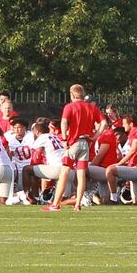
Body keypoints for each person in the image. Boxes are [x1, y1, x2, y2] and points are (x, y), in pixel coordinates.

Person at [45, 84, 105, 212]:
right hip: (85, 143)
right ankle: (78, 204)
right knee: (81, 174)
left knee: (64, 172)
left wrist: (65, 139)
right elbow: (104, 123)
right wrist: (95, 136)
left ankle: (55, 204)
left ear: (72, 95)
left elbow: (64, 122)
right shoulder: (91, 107)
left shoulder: (69, 107)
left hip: (74, 142)